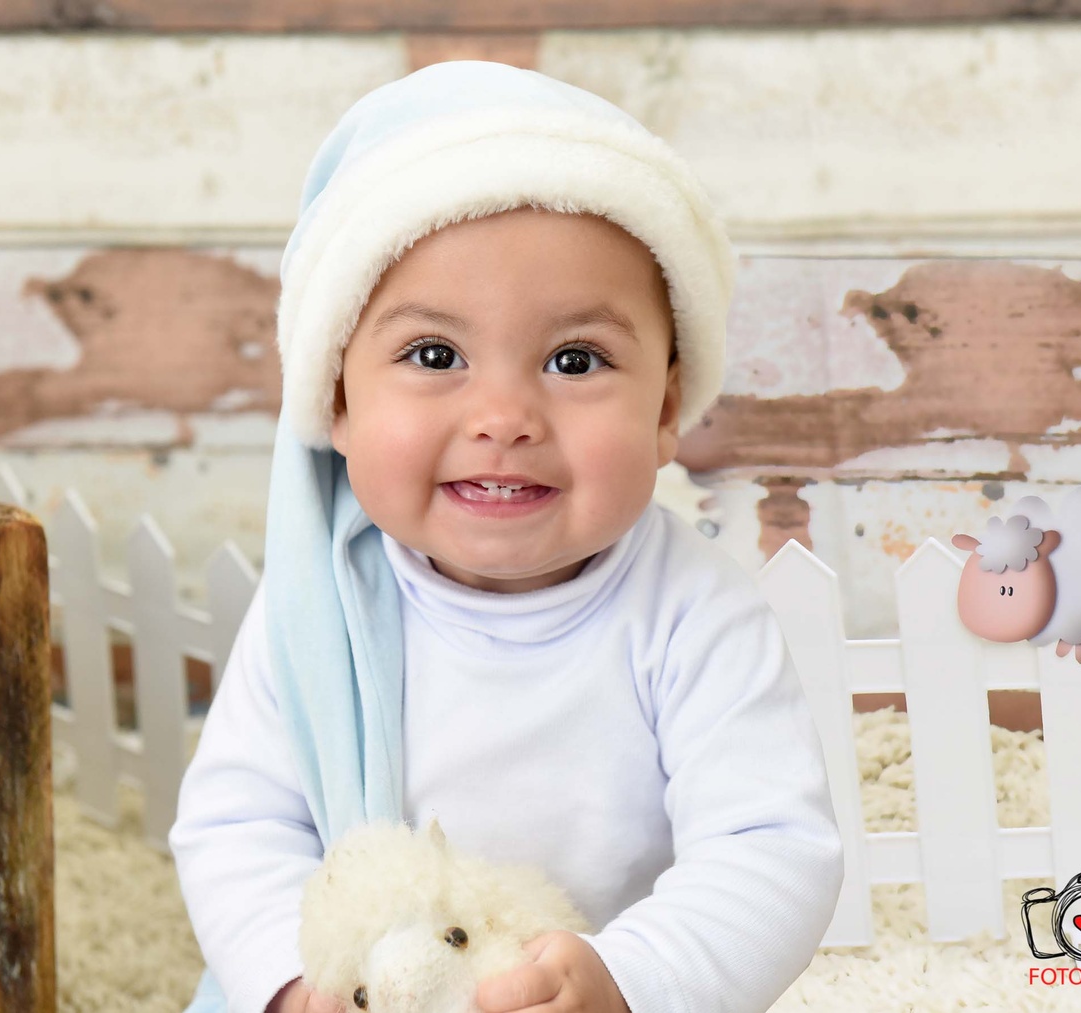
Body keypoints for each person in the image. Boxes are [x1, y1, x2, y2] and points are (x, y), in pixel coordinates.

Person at [169, 59, 844, 1013]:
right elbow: (239, 824)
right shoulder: (318, 607)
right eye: (434, 353)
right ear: (337, 401)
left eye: (575, 359)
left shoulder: (692, 610)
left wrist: (629, 976)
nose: (504, 417)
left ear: (665, 410)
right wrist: (296, 983)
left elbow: (771, 848)